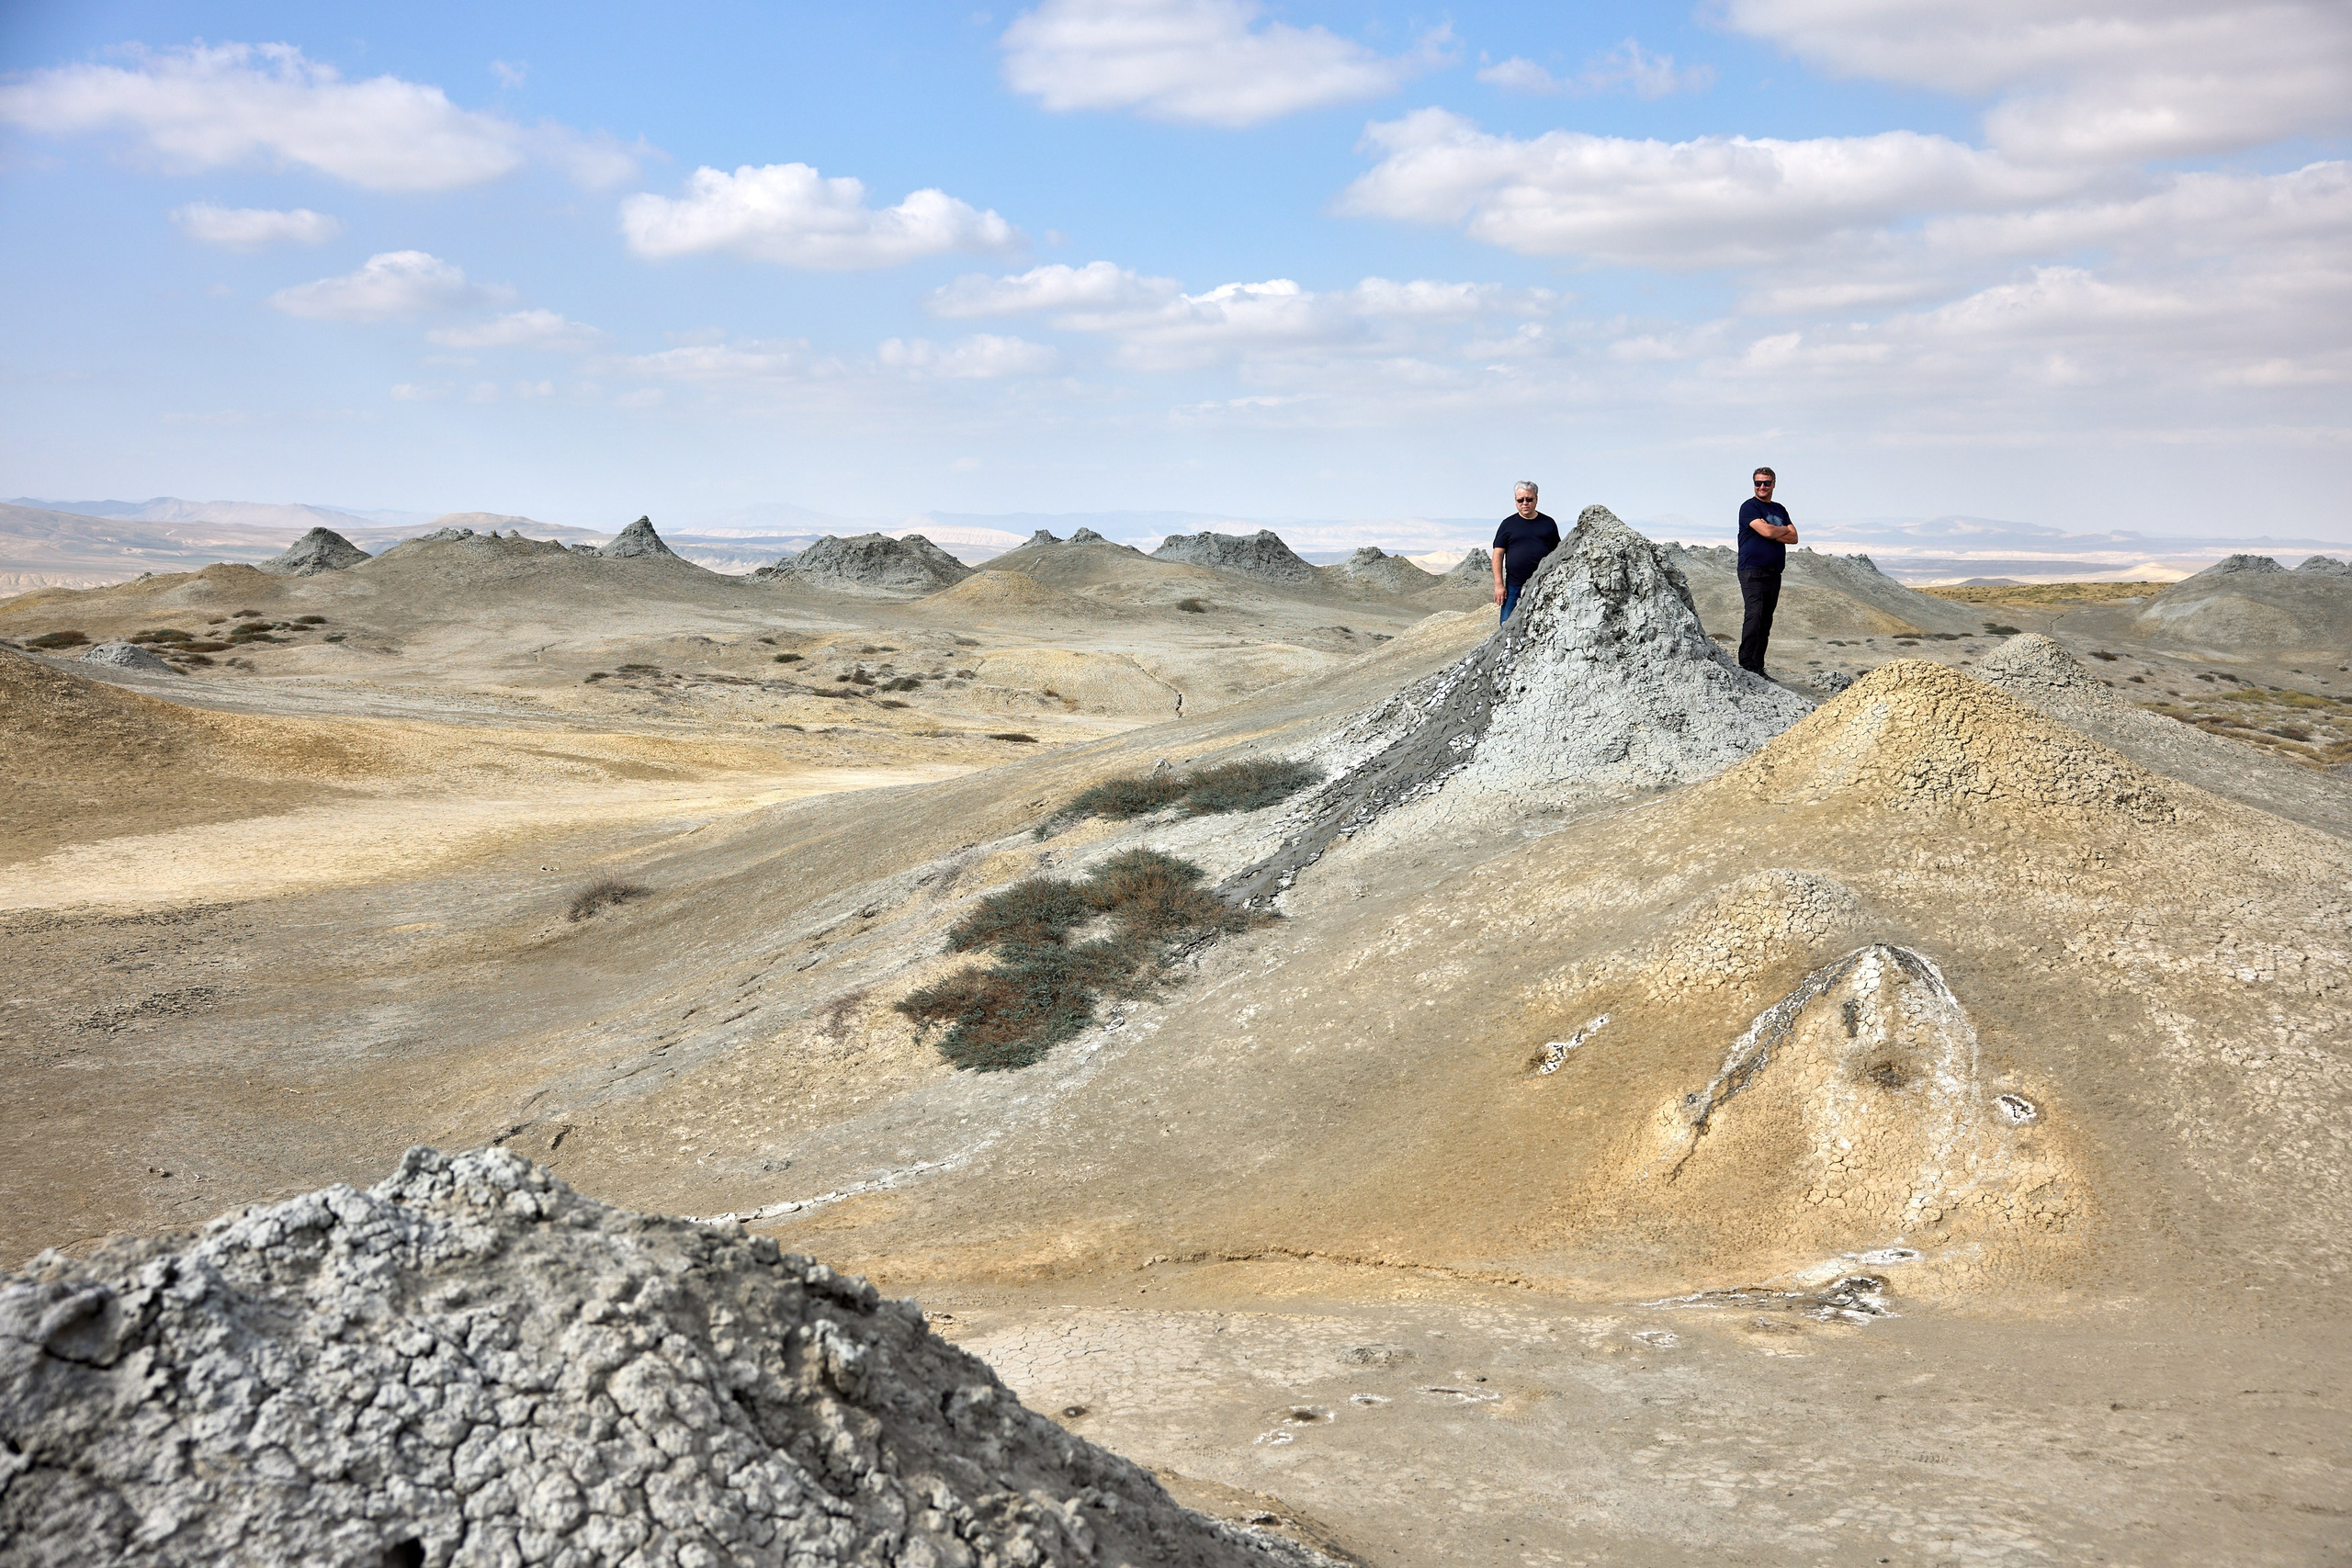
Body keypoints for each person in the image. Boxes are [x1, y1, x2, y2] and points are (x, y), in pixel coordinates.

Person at [1736, 467, 1798, 675]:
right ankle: (1746, 667)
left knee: (1765, 621)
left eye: (1766, 483)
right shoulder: (1749, 507)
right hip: (1752, 570)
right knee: (1754, 616)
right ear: (1754, 484)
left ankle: (1758, 667)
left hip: (1774, 571)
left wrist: (1772, 532)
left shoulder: (1779, 509)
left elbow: (1794, 537)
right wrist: (1774, 531)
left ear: (1774, 484)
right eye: (1758, 483)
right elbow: (1768, 530)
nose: (1762, 487)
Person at [1490, 481, 1559, 623]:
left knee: (1540, 623)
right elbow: (1498, 554)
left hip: (1542, 583)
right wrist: (1499, 585)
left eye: (1529, 499)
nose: (1525, 503)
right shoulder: (1507, 524)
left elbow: (1558, 552)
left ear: (1536, 499)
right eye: (1520, 500)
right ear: (1515, 501)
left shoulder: (1548, 523)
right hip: (1513, 586)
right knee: (1506, 623)